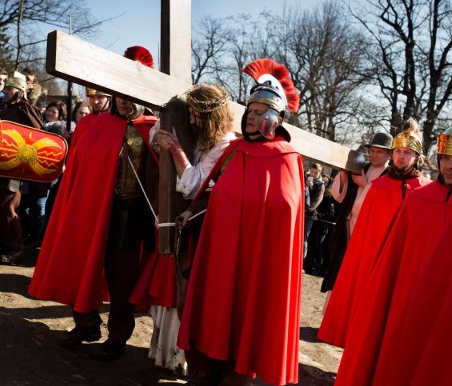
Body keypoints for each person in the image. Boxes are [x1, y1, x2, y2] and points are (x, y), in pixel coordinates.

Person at [334, 113, 452, 386]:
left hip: (447, 316)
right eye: (446, 157)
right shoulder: (418, 201)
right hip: (403, 308)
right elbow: (388, 267)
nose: (450, 165)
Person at [177, 58, 303, 386]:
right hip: (219, 257)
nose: (252, 117)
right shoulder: (232, 150)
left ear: (276, 119)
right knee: (206, 325)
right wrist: (193, 211)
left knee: (243, 332)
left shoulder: (287, 160)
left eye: (262, 112)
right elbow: (212, 191)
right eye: (251, 110)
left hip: (256, 267)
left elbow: (285, 212)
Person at [29, 46, 158, 361]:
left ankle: (117, 338)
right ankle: (85, 323)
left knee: (122, 278)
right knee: (82, 264)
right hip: (90, 211)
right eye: (119, 92)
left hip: (130, 217)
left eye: (131, 93)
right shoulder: (95, 125)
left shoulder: (152, 129)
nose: (124, 99)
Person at [130, 83, 236, 374]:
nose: (191, 120)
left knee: (191, 296)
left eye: (196, 115)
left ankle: (186, 359)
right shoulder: (200, 137)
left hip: (206, 233)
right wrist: (164, 132)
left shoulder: (226, 144)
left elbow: (193, 184)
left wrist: (176, 150)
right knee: (173, 295)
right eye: (188, 113)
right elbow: (155, 136)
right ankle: (169, 352)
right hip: (186, 225)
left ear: (212, 116)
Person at [317, 119, 431, 348]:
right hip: (368, 260)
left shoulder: (424, 190)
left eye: (407, 153)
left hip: (399, 267)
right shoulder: (379, 187)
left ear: (417, 157)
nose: (401, 156)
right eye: (398, 151)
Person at [320, 132, 392, 293]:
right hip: (348, 227)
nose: (374, 155)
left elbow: (385, 205)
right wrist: (344, 173)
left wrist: (364, 185)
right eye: (372, 150)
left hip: (370, 232)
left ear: (389, 154)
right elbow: (339, 196)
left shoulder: (391, 176)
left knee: (359, 273)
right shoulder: (361, 168)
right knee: (340, 269)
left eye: (379, 151)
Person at [0, 73, 43, 264]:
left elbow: (37, 136)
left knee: (9, 207)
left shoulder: (28, 110)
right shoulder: (4, 109)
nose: (7, 92)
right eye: (6, 89)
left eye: (11, 89)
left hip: (15, 168)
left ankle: (15, 248)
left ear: (22, 92)